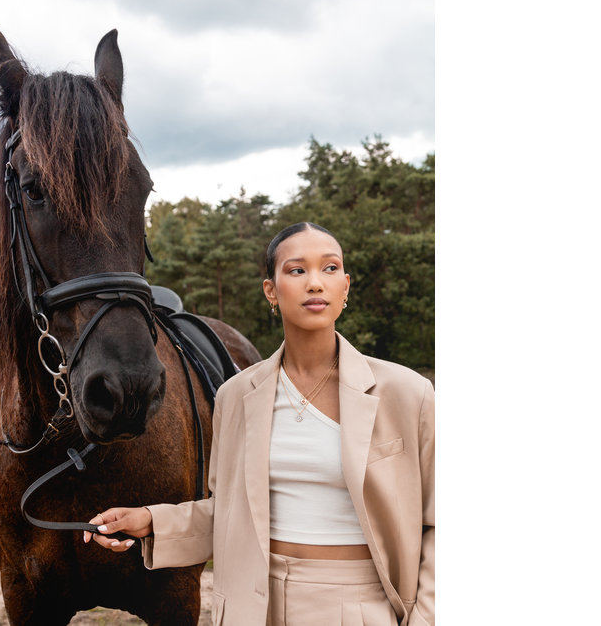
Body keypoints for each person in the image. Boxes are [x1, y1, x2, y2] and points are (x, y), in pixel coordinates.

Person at [84, 222, 434, 625]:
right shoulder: (235, 396)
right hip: (253, 608)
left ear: (346, 286)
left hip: (360, 608)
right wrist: (150, 521)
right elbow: (230, 515)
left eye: (330, 268)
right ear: (271, 290)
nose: (315, 283)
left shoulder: (407, 393)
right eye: (297, 270)